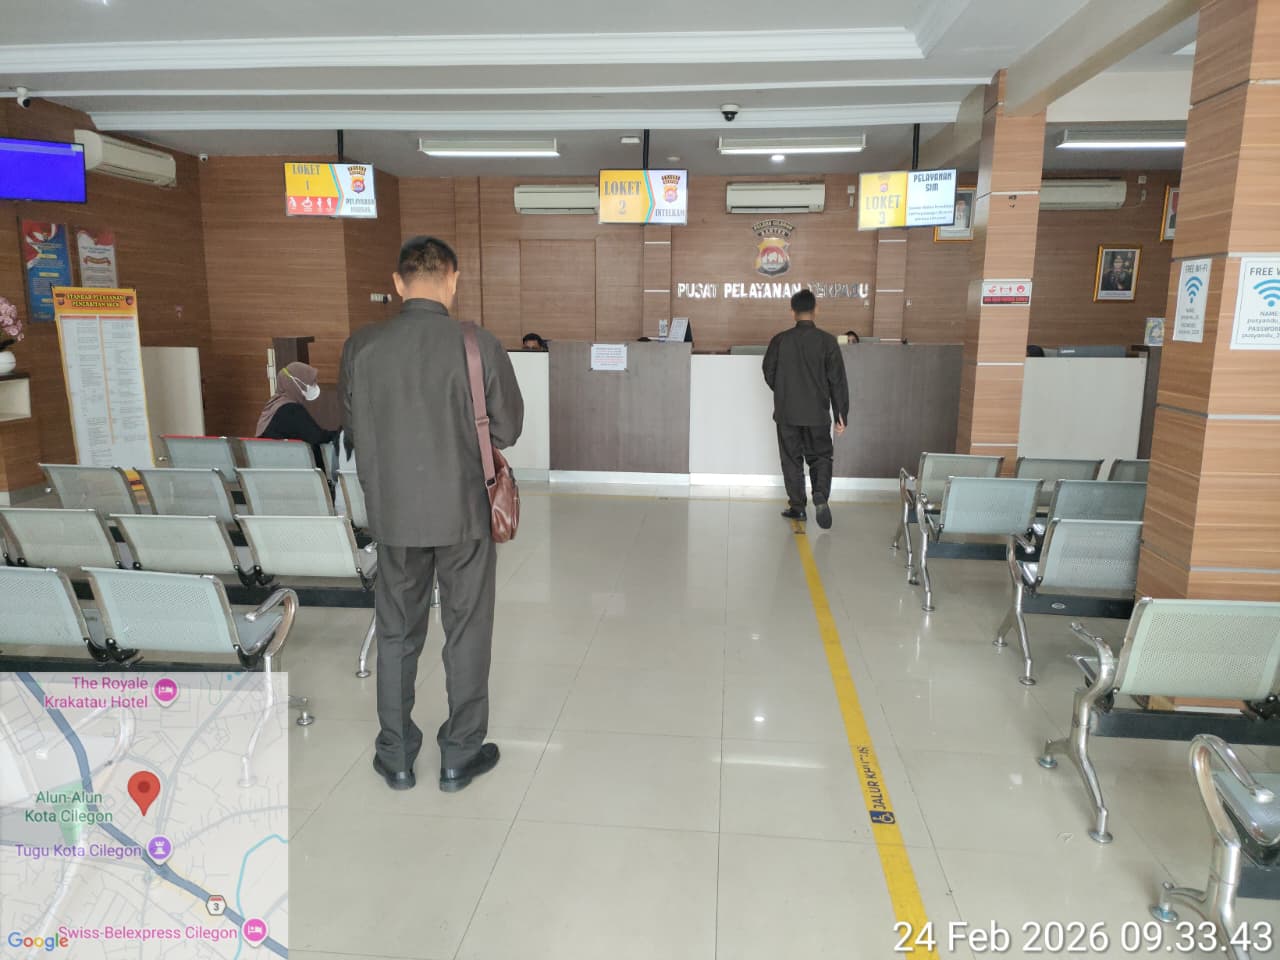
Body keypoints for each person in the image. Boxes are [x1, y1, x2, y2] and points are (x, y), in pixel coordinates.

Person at [340, 236, 524, 794]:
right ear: (453, 279)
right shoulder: (477, 344)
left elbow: (353, 427)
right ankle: (459, 755)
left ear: (399, 283)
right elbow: (508, 428)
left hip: (393, 516)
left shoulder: (362, 346)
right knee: (466, 630)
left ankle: (396, 757)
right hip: (465, 514)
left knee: (397, 633)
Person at [763, 289, 849, 530]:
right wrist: (840, 414)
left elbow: (768, 370)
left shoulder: (780, 340)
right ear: (816, 310)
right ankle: (820, 493)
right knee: (820, 456)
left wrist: (783, 392)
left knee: (791, 459)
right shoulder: (827, 342)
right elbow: (837, 380)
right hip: (817, 413)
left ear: (792, 312)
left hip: (787, 413)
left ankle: (798, 507)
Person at [255, 362, 339, 466]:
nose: (314, 386)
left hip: (273, 465)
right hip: (289, 468)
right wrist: (342, 434)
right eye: (310, 382)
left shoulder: (275, 405)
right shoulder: (290, 410)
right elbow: (317, 437)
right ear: (295, 383)